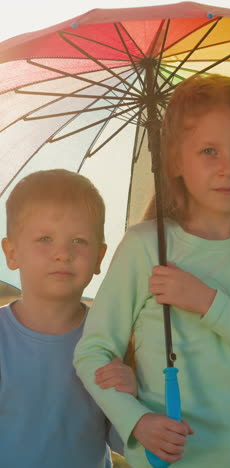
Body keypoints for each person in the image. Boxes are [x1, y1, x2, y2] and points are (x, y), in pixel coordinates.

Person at [74, 73, 230, 468]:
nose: (228, 167)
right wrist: (136, 420)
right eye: (209, 150)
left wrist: (208, 303)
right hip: (169, 458)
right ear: (175, 160)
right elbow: (93, 353)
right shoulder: (146, 247)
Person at [1, 169, 137, 468]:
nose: (62, 253)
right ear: (11, 253)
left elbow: (129, 447)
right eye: (45, 238)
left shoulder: (108, 341)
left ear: (100, 258)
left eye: (78, 241)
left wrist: (130, 398)